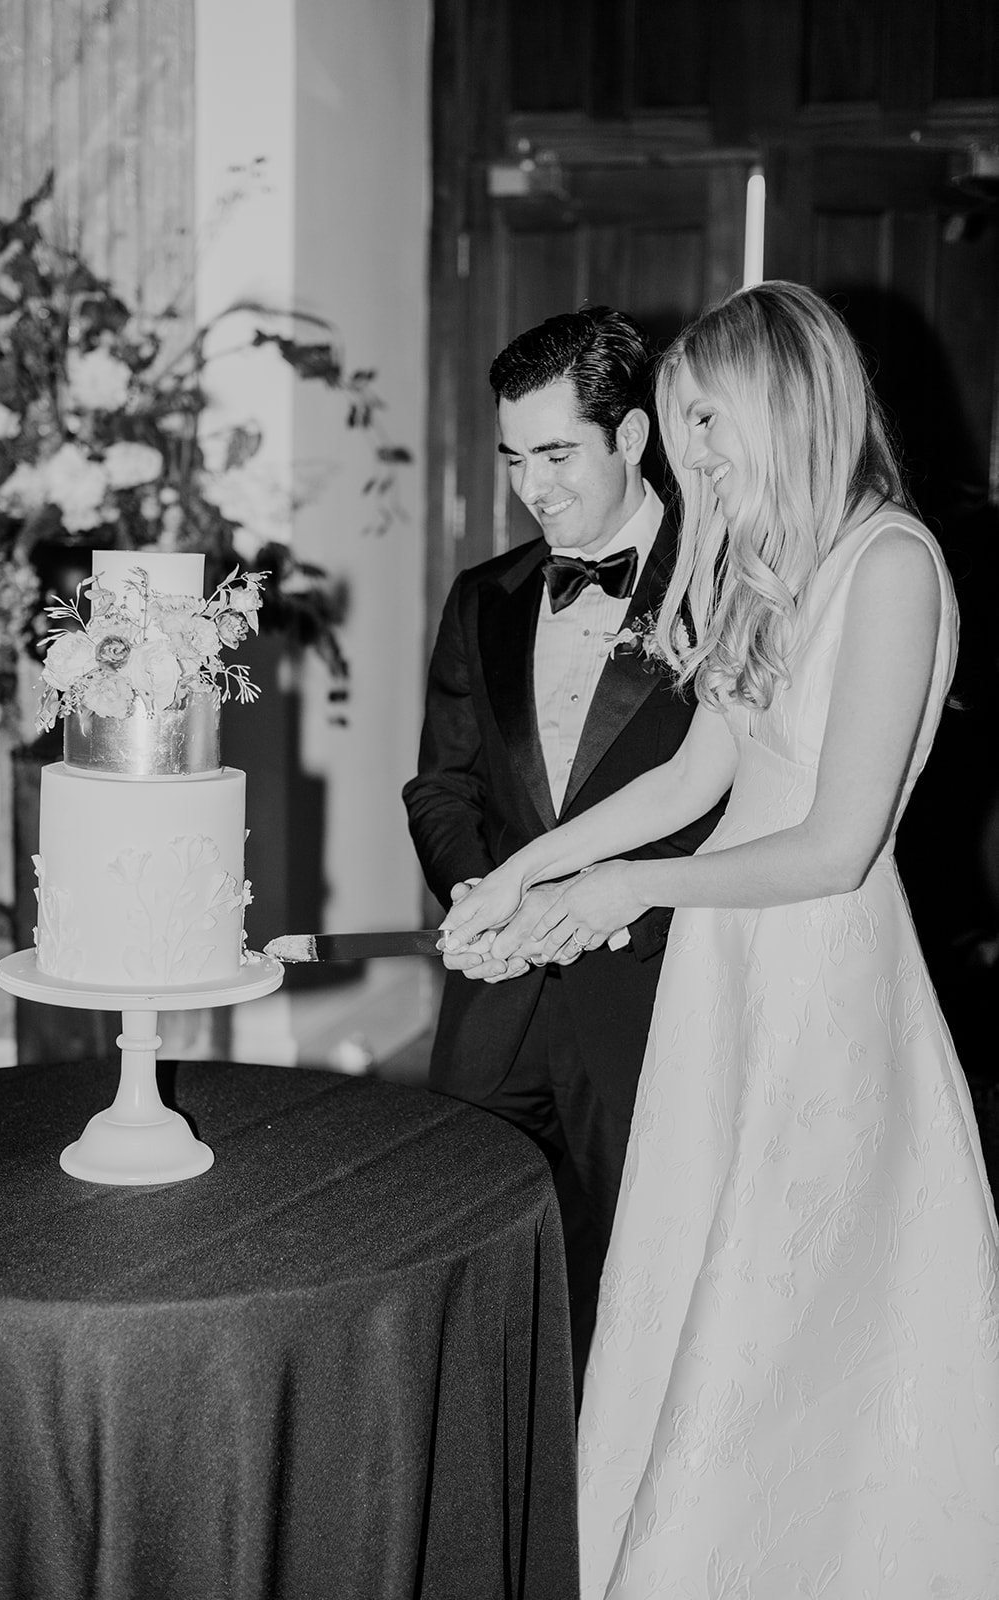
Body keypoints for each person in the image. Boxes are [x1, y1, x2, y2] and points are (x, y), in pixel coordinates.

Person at [440, 281, 999, 1596]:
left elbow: (831, 844)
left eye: (704, 432)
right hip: (724, 961)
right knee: (692, 1260)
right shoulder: (767, 566)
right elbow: (695, 782)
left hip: (821, 968)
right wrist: (528, 871)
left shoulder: (891, 564)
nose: (689, 465)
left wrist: (628, 892)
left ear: (783, 407)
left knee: (786, 1281)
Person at [402, 306, 724, 1402]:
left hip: (652, 994)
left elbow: (732, 802)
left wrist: (610, 901)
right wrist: (471, 894)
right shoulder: (480, 598)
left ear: (630, 437)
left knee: (640, 1286)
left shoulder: (723, 580)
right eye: (511, 459)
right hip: (495, 1009)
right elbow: (440, 785)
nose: (530, 488)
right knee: (469, 1271)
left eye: (555, 454)